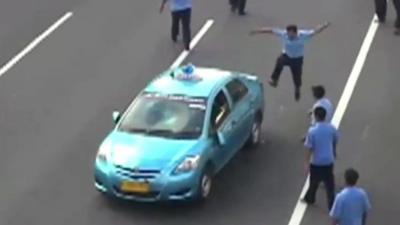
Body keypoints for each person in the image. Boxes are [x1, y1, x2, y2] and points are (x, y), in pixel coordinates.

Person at [249, 22, 331, 101]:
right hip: (287, 56)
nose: (289, 37)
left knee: (297, 77)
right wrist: (256, 31)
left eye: (291, 35)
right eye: (288, 34)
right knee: (280, 61)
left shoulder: (303, 35)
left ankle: (297, 89)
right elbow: (270, 30)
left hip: (297, 59)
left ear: (296, 33)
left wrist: (324, 25)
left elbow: (315, 31)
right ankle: (274, 79)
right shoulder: (284, 34)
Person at [303, 107, 339, 210]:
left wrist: (306, 163)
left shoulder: (312, 131)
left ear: (317, 116)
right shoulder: (331, 128)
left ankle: (310, 198)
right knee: (329, 184)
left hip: (317, 161)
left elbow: (308, 148)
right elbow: (335, 140)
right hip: (328, 160)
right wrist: (334, 151)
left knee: (314, 182)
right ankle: (332, 205)